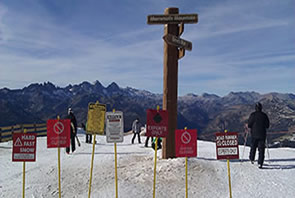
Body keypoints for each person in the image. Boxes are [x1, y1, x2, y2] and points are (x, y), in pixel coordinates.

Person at [248, 102, 270, 168]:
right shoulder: (264, 115)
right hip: (262, 134)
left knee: (253, 147)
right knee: (261, 149)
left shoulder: (253, 115)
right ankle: (260, 162)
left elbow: (249, 124)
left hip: (254, 134)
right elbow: (267, 125)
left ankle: (252, 158)